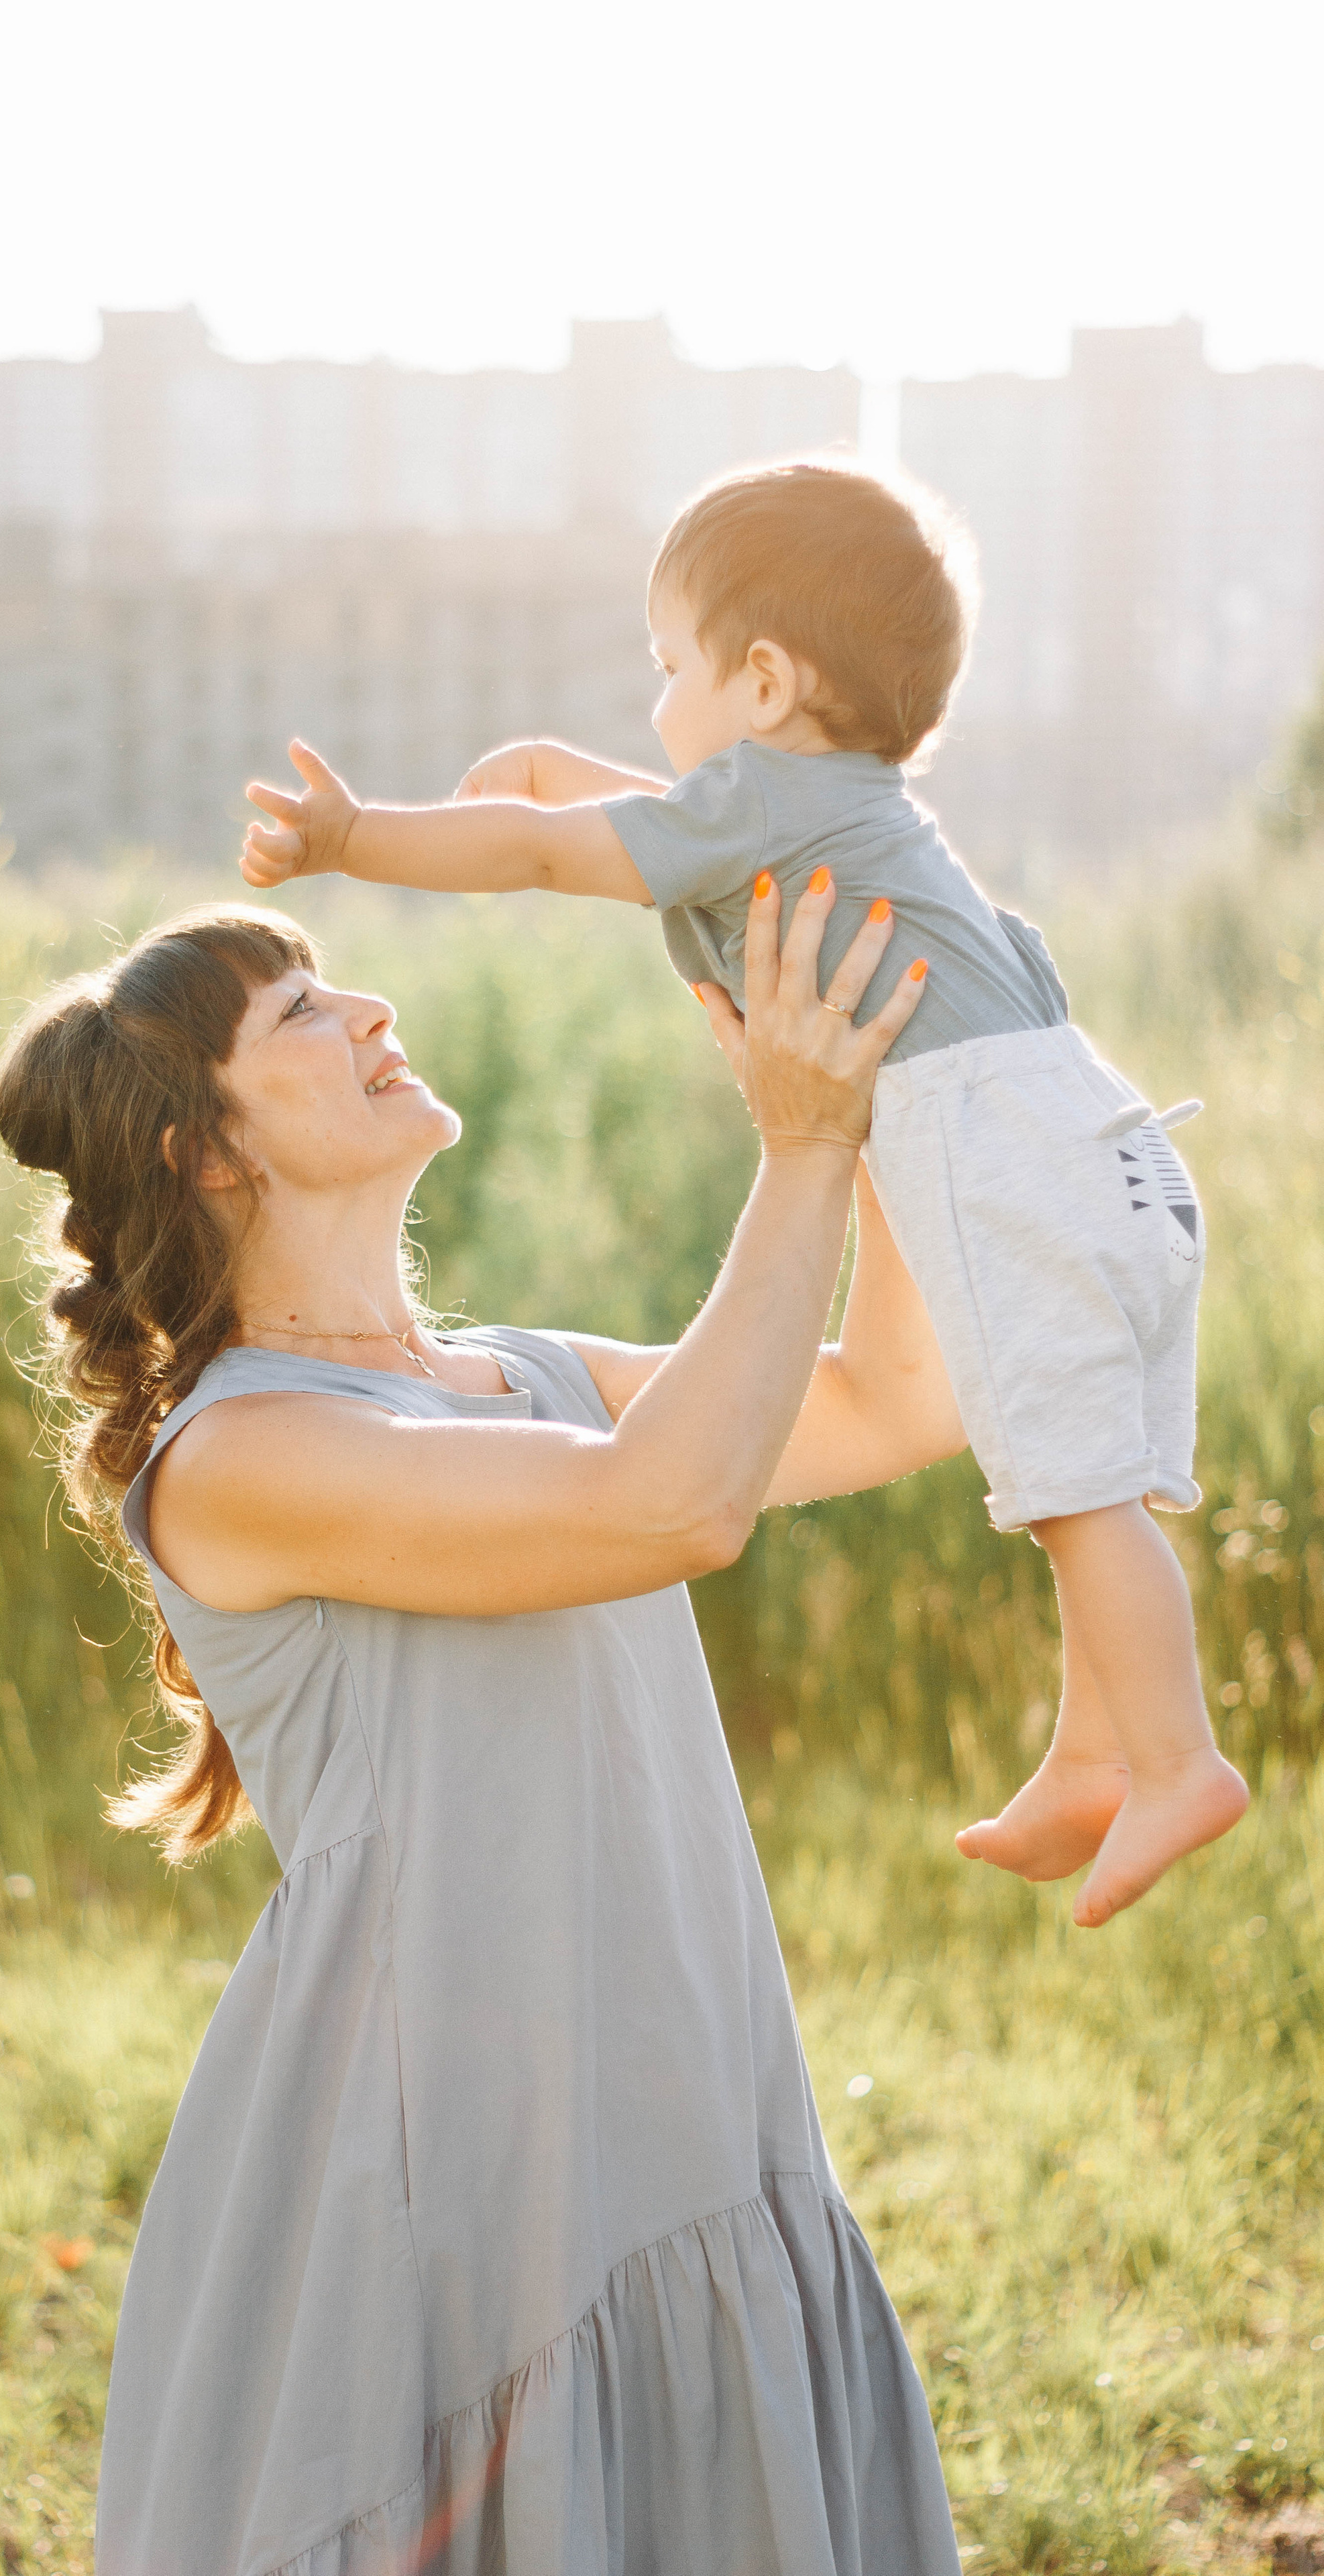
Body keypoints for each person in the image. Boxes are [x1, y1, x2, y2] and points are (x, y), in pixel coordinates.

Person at [0, 881, 965, 2575]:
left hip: (670, 2075)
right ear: (207, 1154)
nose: (366, 1010)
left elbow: (891, 1403)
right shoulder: (238, 1459)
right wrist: (791, 1154)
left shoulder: (527, 1376)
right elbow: (670, 1510)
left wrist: (866, 1108)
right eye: (297, 1013)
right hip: (454, 2168)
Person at [239, 456, 1249, 1932]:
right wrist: (556, 767)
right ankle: (1098, 1745)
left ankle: (1173, 1757)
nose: (653, 709)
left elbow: (544, 855)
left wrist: (351, 839)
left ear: (763, 682)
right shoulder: (836, 809)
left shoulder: (767, 805)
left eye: (667, 669)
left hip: (1006, 1155)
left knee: (1079, 1501)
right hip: (1105, 1147)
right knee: (1090, 1481)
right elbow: (660, 829)